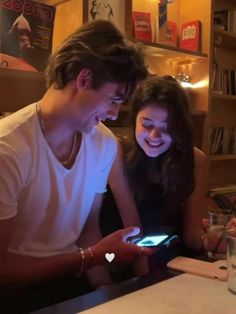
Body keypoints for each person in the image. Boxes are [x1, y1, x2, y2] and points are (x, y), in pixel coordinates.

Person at [0, 20, 152, 312]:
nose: (114, 114)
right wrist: (92, 257)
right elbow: (3, 271)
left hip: (75, 286)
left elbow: (87, 234)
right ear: (83, 79)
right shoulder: (9, 149)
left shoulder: (103, 145)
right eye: (114, 99)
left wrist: (105, 289)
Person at [103, 75, 208, 271]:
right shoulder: (117, 152)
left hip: (175, 262)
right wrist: (143, 283)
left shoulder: (195, 160)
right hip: (123, 260)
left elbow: (192, 237)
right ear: (134, 119)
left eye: (166, 128)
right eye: (147, 124)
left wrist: (219, 239)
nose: (154, 136)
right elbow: (133, 231)